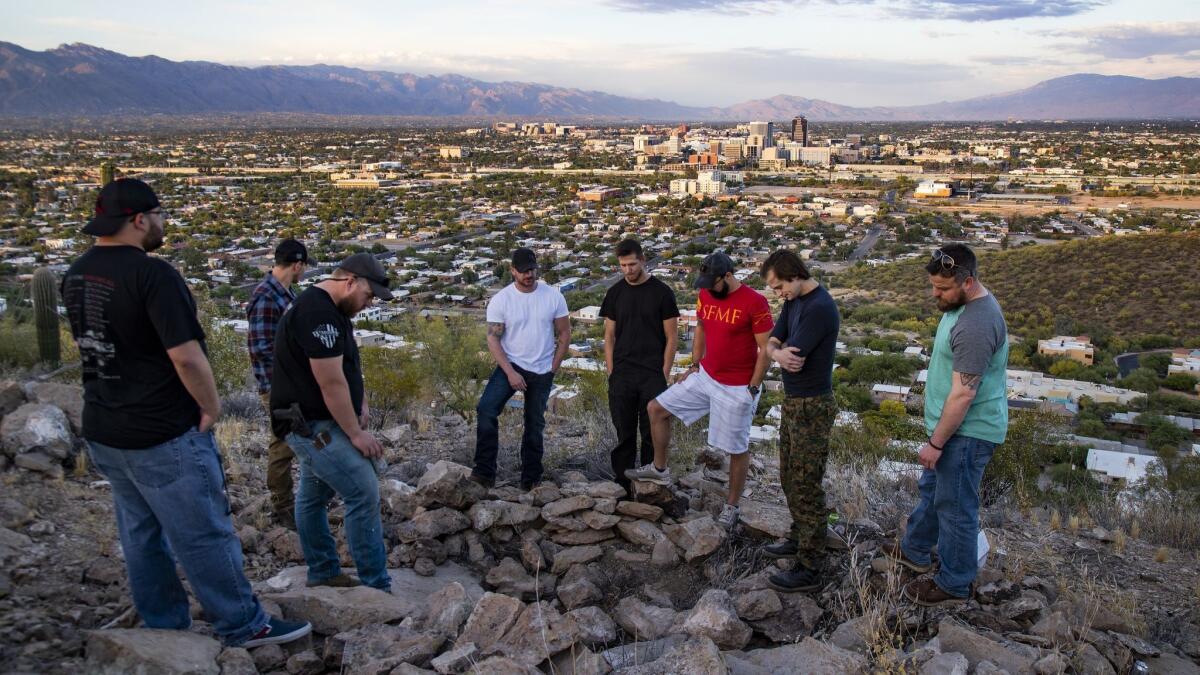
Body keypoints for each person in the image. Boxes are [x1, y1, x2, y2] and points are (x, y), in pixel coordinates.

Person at [62, 178, 310, 648]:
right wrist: (211, 406)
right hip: (161, 429)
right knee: (203, 532)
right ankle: (242, 623)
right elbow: (187, 356)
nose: (163, 222)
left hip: (104, 427)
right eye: (158, 214)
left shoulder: (76, 273)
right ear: (138, 219)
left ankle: (163, 623)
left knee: (140, 533)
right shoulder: (152, 275)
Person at [881, 244, 1009, 607]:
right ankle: (915, 550)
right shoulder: (965, 305)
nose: (934, 294)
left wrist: (936, 443)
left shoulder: (975, 323)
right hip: (952, 429)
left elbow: (964, 395)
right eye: (933, 285)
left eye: (942, 288)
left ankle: (954, 584)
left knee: (955, 508)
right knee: (934, 492)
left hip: (966, 433)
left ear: (968, 282)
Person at [271, 253, 393, 591]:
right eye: (368, 296)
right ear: (350, 281)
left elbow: (348, 367)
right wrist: (355, 433)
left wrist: (361, 402)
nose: (369, 304)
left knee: (312, 497)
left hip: (323, 421)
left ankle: (324, 571)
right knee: (364, 491)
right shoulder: (316, 312)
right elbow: (330, 381)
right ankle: (376, 586)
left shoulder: (332, 311)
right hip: (310, 426)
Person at [626, 252, 774, 530]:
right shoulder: (706, 295)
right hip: (706, 375)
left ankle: (732, 506)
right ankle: (659, 470)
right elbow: (702, 329)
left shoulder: (755, 302)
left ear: (728, 277)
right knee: (656, 408)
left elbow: (766, 348)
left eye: (712, 282)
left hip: (737, 385)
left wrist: (752, 388)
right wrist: (695, 364)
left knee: (736, 448)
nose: (706, 288)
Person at [757, 250, 841, 593]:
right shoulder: (795, 301)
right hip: (794, 403)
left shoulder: (819, 308)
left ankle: (810, 565)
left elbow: (794, 357)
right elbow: (774, 346)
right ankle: (799, 535)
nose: (778, 294)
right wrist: (776, 351)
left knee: (806, 483)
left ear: (795, 275)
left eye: (779, 287)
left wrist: (776, 351)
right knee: (789, 476)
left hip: (813, 405)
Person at [472, 247, 570, 491]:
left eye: (532, 269)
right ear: (512, 270)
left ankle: (531, 480)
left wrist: (553, 368)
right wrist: (510, 372)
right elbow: (493, 339)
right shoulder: (501, 300)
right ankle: (484, 473)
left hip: (542, 369)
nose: (529, 274)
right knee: (486, 410)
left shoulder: (553, 296)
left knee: (534, 424)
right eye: (524, 270)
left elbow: (565, 333)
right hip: (512, 365)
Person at [600, 239, 679, 492]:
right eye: (623, 265)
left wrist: (663, 374)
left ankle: (647, 487)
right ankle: (622, 487)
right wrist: (612, 372)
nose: (628, 270)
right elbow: (609, 336)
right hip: (622, 374)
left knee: (650, 435)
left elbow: (672, 338)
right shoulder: (615, 293)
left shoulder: (662, 293)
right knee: (624, 434)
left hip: (652, 375)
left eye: (632, 264)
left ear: (643, 260)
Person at [247, 238, 308, 529]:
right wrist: (285, 386)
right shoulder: (266, 297)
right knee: (283, 443)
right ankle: (282, 507)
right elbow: (262, 349)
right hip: (277, 387)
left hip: (290, 384)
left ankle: (302, 502)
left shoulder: (285, 293)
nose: (304, 271)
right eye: (303, 266)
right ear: (297, 264)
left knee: (297, 440)